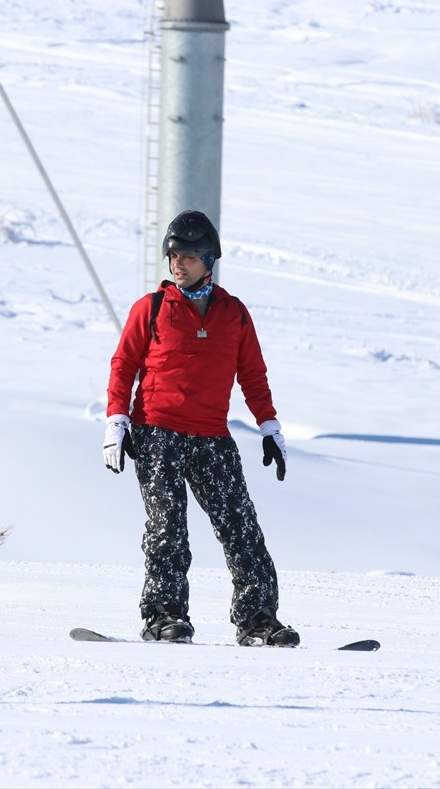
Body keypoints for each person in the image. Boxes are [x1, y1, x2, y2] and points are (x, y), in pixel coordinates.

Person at [103, 209, 299, 648]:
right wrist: (117, 421)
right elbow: (123, 365)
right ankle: (164, 616)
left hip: (213, 436)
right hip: (158, 433)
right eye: (173, 254)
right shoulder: (150, 309)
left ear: (210, 259)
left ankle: (259, 621)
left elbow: (252, 374)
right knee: (168, 526)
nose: (179, 263)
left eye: (189, 255)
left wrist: (269, 426)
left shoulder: (234, 315)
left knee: (241, 526)